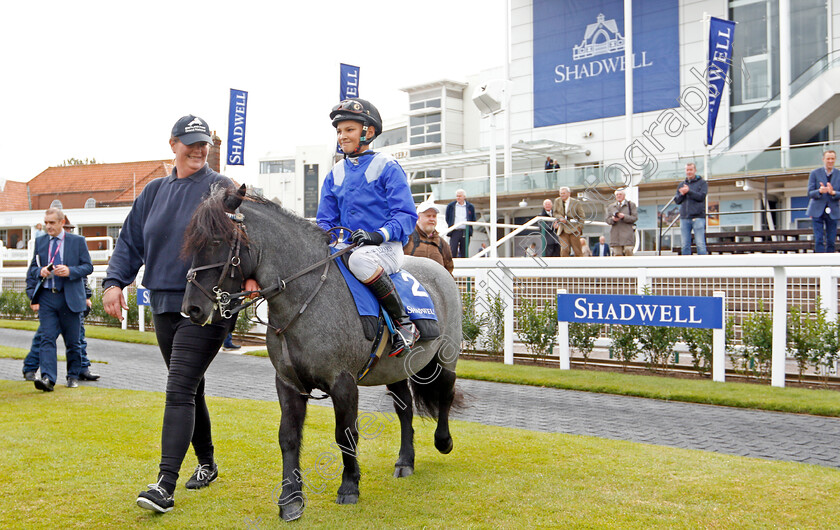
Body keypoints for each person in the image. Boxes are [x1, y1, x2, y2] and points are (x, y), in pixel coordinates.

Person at [103, 115, 236, 514]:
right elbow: (130, 241)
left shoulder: (221, 187)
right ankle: (208, 464)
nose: (198, 150)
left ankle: (164, 484)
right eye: (190, 143)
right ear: (173, 144)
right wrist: (115, 281)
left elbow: (244, 236)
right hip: (162, 302)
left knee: (178, 388)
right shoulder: (154, 191)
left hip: (205, 304)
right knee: (190, 388)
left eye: (204, 144)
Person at [316, 98, 419, 358]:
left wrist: (378, 234)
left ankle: (404, 324)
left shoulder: (388, 166)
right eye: (339, 131)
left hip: (385, 248)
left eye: (349, 130)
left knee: (360, 259)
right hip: (347, 247)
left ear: (368, 132)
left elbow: (406, 215)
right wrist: (324, 240)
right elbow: (325, 221)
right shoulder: (335, 173)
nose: (342, 136)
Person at [22, 217, 99, 382]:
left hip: (71, 300)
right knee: (45, 337)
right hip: (50, 299)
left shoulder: (72, 247)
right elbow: (32, 275)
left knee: (77, 337)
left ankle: (81, 368)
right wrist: (33, 297)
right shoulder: (43, 248)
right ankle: (30, 368)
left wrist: (86, 296)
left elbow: (82, 276)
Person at [404, 202, 454, 275]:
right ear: (418, 217)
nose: (432, 219)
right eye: (428, 216)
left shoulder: (442, 244)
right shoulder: (407, 238)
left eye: (434, 216)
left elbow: (449, 271)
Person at [806, 150, 840, 253]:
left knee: (831, 240)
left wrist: (833, 192)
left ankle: (829, 262)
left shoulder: (839, 174)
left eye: (832, 158)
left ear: (835, 160)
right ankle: (819, 262)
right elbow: (810, 193)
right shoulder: (814, 173)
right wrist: (820, 191)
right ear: (823, 159)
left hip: (833, 210)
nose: (830, 161)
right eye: (828, 158)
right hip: (817, 210)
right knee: (819, 238)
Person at [674, 163, 708, 255]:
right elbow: (677, 200)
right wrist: (682, 194)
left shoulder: (702, 183)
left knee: (700, 244)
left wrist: (689, 191)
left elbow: (701, 196)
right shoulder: (682, 184)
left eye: (691, 170)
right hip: (684, 218)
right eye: (687, 170)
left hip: (698, 217)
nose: (689, 172)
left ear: (695, 170)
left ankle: (703, 266)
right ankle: (686, 267)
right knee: (685, 244)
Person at [553, 186, 585, 257]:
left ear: (569, 193)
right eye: (561, 193)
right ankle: (564, 266)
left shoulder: (576, 202)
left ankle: (580, 266)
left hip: (574, 229)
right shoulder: (557, 201)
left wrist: (579, 228)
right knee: (564, 250)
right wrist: (560, 218)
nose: (562, 195)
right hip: (562, 229)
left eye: (564, 193)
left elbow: (582, 216)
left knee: (577, 250)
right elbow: (555, 213)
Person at [606, 189, 638, 256]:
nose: (618, 196)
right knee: (617, 254)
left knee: (628, 251)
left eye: (620, 194)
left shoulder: (631, 205)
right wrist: (613, 219)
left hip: (627, 235)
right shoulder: (611, 207)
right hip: (616, 236)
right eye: (617, 194)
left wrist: (624, 216)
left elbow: (634, 218)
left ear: (624, 195)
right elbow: (607, 220)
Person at [445, 189, 476, 258]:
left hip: (465, 231)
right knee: (453, 250)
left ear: (464, 197)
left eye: (460, 196)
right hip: (455, 231)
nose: (458, 198)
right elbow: (447, 218)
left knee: (464, 251)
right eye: (457, 196)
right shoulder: (451, 206)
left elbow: (473, 218)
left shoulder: (470, 207)